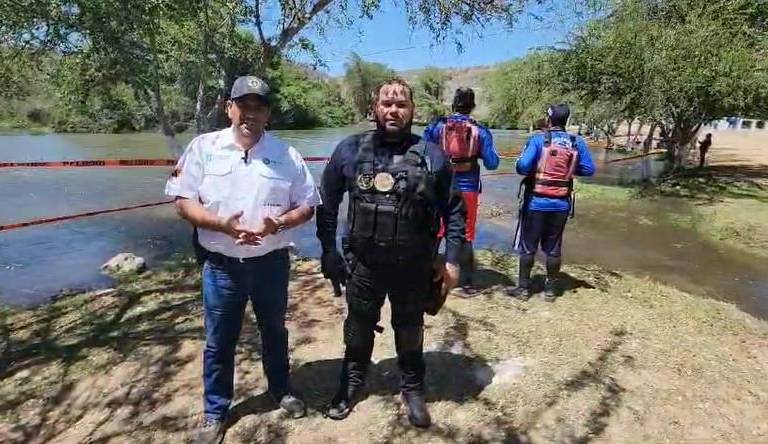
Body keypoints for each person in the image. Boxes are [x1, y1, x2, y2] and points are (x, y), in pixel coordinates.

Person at [166, 75, 321, 443]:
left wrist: (280, 222)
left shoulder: (287, 155)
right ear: (229, 108)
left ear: (268, 113)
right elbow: (183, 202)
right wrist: (220, 224)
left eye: (259, 106)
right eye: (244, 105)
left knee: (275, 332)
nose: (251, 112)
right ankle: (215, 411)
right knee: (219, 341)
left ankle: (280, 389)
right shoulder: (203, 148)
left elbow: (308, 205)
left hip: (271, 263)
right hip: (221, 265)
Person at [315, 78, 465, 428]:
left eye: (401, 104)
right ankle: (351, 383)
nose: (393, 110)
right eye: (386, 103)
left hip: (413, 266)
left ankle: (412, 388)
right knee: (358, 327)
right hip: (363, 265)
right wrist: (328, 251)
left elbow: (455, 210)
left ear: (412, 110)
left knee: (409, 328)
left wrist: (452, 259)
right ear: (374, 108)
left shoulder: (432, 156)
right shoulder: (350, 150)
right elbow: (327, 202)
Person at [508, 104, 595, 302]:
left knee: (528, 246)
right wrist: (569, 168)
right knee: (554, 247)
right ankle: (550, 291)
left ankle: (523, 289)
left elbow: (522, 167)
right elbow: (589, 169)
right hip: (561, 204)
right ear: (566, 121)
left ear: (548, 120)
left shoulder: (538, 139)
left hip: (535, 202)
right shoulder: (576, 142)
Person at [423, 87, 499, 293]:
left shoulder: (436, 126)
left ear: (453, 104)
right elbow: (492, 163)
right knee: (466, 234)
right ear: (472, 106)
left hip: (439, 186)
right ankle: (466, 283)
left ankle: (425, 275)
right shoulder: (480, 131)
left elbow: (422, 152)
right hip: (468, 188)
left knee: (435, 230)